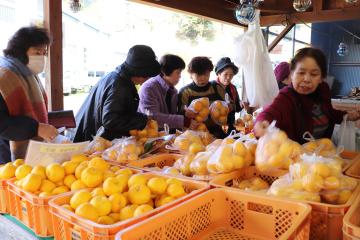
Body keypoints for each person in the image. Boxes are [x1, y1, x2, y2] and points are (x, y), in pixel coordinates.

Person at [254, 48, 360, 143]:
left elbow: (329, 113)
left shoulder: (323, 89)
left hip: (320, 155)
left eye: (314, 74)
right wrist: (261, 123)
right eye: (301, 73)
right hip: (294, 160)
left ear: (322, 78)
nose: (307, 79)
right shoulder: (287, 96)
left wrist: (348, 116)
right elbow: (270, 112)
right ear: (291, 74)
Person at [74, 45, 160, 142]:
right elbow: (111, 120)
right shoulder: (120, 86)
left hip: (87, 136)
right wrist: (143, 120)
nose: (145, 81)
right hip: (93, 143)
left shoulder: (114, 76)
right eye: (146, 77)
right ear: (140, 73)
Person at [0, 26, 58, 162]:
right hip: (6, 156)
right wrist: (36, 128)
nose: (42, 57)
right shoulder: (4, 77)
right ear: (20, 51)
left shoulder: (28, 74)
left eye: (44, 53)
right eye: (37, 52)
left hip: (28, 156)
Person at [138, 54, 196, 132]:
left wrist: (185, 113)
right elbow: (152, 117)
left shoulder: (173, 90)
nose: (180, 76)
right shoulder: (149, 88)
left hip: (167, 136)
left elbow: (170, 116)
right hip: (149, 136)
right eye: (178, 73)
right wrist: (184, 121)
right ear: (165, 72)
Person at [178, 56, 226, 138]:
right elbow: (179, 112)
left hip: (216, 132)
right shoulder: (185, 92)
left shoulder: (216, 88)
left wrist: (226, 108)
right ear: (191, 75)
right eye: (199, 75)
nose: (203, 78)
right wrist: (185, 113)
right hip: (195, 134)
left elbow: (230, 106)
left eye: (206, 75)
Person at [214, 57, 242, 131]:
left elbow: (238, 108)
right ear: (218, 74)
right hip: (215, 129)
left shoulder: (233, 89)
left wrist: (242, 104)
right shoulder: (211, 87)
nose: (228, 77)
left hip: (230, 127)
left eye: (231, 75)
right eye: (225, 74)